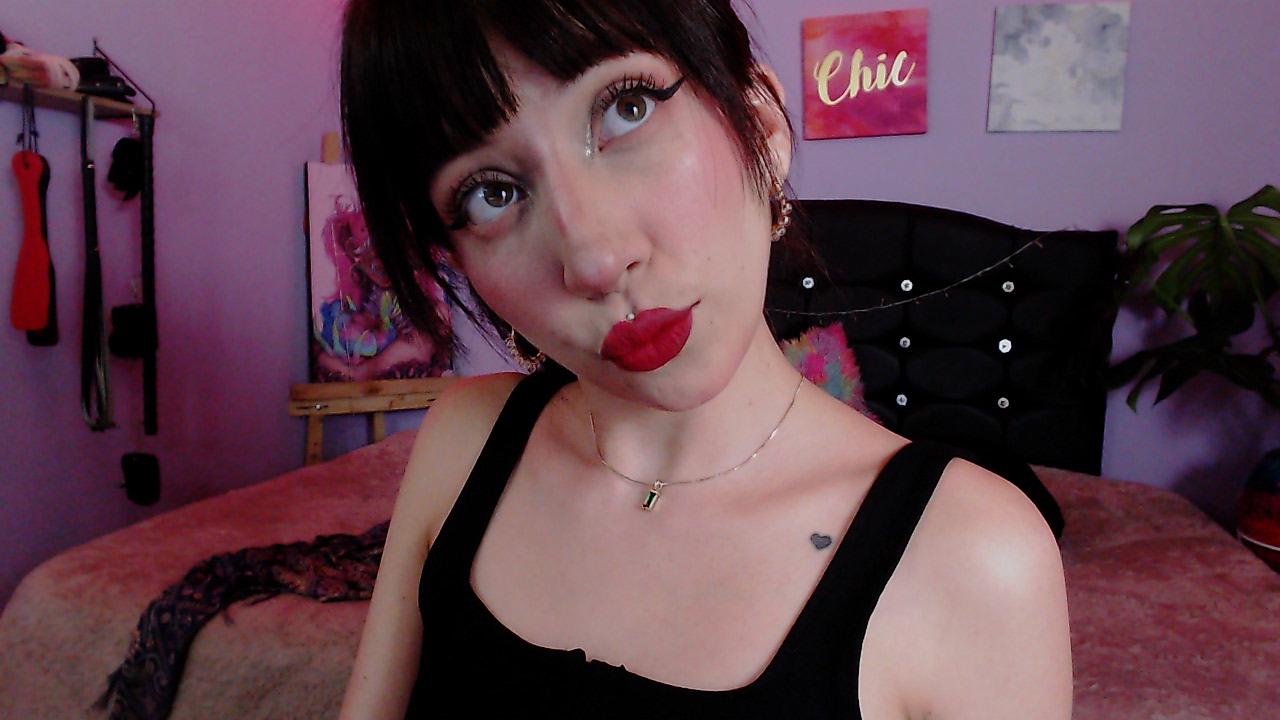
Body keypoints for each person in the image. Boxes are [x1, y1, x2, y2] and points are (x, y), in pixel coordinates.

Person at [336, 1, 1072, 718]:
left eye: (625, 110)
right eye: (492, 194)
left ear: (762, 127)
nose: (594, 259)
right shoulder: (463, 442)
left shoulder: (974, 555)